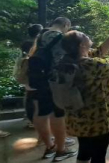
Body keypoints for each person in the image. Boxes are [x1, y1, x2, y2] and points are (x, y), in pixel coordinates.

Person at [59, 28, 109, 163]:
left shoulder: (67, 61)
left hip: (78, 116)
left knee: (84, 151)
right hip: (97, 119)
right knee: (99, 155)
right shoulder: (93, 65)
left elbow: (99, 52)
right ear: (81, 45)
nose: (87, 35)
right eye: (84, 35)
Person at [30, 17, 77, 161]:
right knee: (58, 115)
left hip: (38, 79)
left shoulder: (41, 35)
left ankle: (49, 146)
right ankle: (61, 150)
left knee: (42, 113)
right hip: (54, 81)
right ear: (65, 25)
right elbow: (61, 61)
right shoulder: (61, 37)